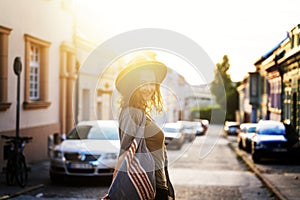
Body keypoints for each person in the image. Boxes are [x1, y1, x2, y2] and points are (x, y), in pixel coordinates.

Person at [102, 53, 175, 200]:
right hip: (147, 187)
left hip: (158, 184)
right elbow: (125, 154)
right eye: (143, 83)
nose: (149, 88)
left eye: (152, 83)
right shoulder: (131, 113)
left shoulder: (141, 112)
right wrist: (115, 192)